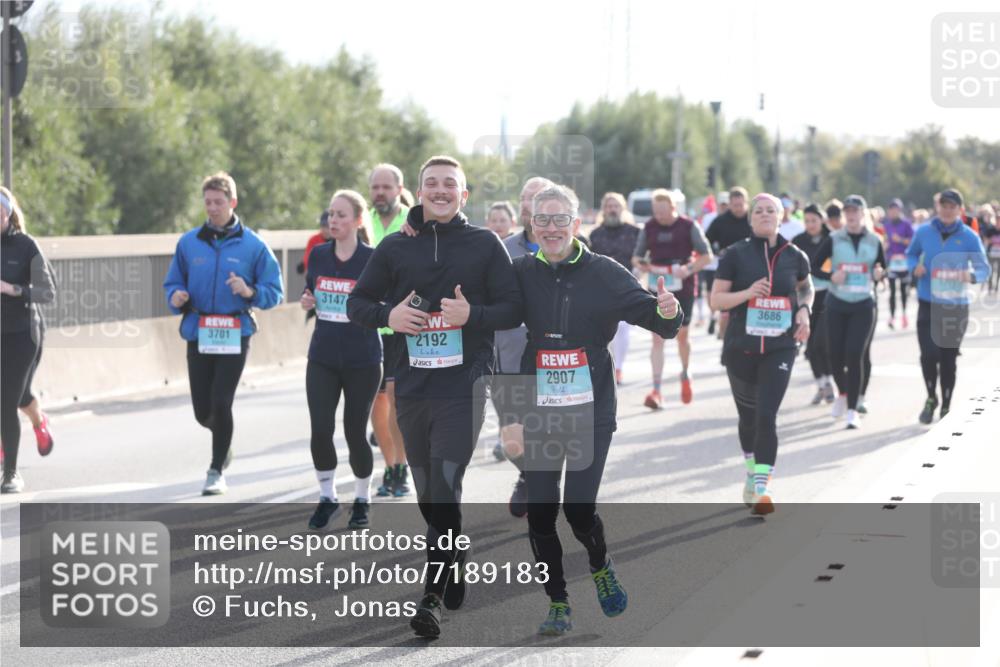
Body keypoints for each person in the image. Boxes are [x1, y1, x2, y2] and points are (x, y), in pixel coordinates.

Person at [347, 155, 522, 638]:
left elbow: (512, 308)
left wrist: (474, 316)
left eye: (450, 184)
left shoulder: (486, 245)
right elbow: (356, 303)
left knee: (445, 483)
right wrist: (390, 316)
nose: (441, 190)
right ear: (418, 193)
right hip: (412, 384)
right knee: (429, 493)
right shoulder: (394, 248)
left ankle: (431, 596)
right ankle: (454, 551)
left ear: (464, 196)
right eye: (432, 184)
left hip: (464, 384)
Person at [515, 184, 681, 635]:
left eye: (559, 219)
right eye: (542, 219)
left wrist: (669, 309)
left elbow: (658, 321)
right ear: (532, 225)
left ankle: (600, 562)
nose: (550, 228)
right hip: (540, 409)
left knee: (579, 509)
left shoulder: (604, 272)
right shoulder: (521, 272)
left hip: (591, 410)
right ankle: (558, 602)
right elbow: (491, 313)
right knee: (543, 510)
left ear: (575, 223)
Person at [163, 172, 284, 495]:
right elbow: (173, 282)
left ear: (232, 203)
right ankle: (223, 442)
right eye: (208, 203)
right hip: (199, 330)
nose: (213, 208)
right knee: (202, 410)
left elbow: (275, 291)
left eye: (219, 202)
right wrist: (176, 296)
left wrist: (249, 291)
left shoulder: (253, 245)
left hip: (235, 330)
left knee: (221, 401)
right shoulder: (189, 243)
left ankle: (216, 470)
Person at [711, 193, 813, 515]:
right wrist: (748, 293)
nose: (765, 215)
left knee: (767, 416)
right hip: (741, 348)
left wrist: (805, 310)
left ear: (781, 216)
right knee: (749, 420)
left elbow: (806, 287)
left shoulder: (795, 254)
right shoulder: (734, 255)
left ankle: (762, 485)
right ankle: (751, 469)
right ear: (751, 218)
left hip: (781, 346)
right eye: (759, 211)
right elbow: (716, 300)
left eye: (771, 210)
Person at [300, 190, 382, 530]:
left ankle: (361, 498)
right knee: (320, 429)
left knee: (354, 432)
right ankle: (327, 497)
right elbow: (311, 291)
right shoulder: (318, 255)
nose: (333, 220)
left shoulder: (372, 259)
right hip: (322, 355)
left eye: (341, 215)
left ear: (358, 221)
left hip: (362, 358)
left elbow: (383, 305)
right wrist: (308, 300)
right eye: (331, 214)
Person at [490, 177, 554, 517]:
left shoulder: (569, 248)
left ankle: (544, 483)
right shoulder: (502, 249)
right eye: (526, 199)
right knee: (513, 441)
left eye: (539, 199)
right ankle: (529, 476)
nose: (532, 205)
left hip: (556, 362)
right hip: (510, 358)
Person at [907, 188, 991, 424]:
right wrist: (916, 267)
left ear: (959, 210)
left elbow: (984, 268)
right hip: (928, 302)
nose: (947, 210)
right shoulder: (924, 231)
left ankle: (946, 405)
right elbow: (911, 254)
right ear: (937, 207)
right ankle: (931, 398)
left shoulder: (969, 237)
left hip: (955, 306)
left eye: (952, 206)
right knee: (928, 355)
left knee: (947, 359)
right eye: (943, 205)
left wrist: (971, 275)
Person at [632, 188, 713, 408]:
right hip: (658, 287)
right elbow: (637, 257)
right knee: (657, 337)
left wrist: (688, 269)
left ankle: (685, 374)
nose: (659, 215)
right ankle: (656, 390)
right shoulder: (648, 227)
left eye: (663, 211)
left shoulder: (688, 226)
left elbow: (706, 256)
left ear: (673, 208)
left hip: (683, 286)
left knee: (682, 336)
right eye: (656, 211)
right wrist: (645, 265)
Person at [1, 187, 57, 494]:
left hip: (23, 334)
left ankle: (10, 474)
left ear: (7, 213)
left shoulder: (25, 245)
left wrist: (14, 290)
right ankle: (38, 422)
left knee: (7, 400)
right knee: (16, 397)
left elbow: (49, 292)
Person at [814, 195, 884, 429]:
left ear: (863, 214)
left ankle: (853, 410)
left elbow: (882, 267)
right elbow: (814, 266)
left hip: (864, 303)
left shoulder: (875, 240)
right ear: (844, 215)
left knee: (854, 355)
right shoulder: (834, 239)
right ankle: (842, 393)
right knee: (835, 354)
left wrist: (879, 273)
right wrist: (830, 275)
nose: (852, 216)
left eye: (856, 212)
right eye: (848, 212)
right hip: (837, 303)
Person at [367, 163, 411, 498]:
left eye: (386, 187)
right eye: (375, 187)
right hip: (369, 323)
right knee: (375, 403)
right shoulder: (360, 219)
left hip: (401, 326)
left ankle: (402, 467)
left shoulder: (414, 220)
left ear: (399, 188)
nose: (379, 193)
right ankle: (389, 465)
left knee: (396, 400)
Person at [588, 192, 641, 385]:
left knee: (623, 330)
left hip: (627, 287)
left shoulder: (635, 232)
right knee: (602, 330)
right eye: (609, 206)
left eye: (616, 206)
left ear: (623, 209)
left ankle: (618, 367)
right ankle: (605, 365)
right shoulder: (595, 234)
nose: (612, 209)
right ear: (603, 209)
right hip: (600, 288)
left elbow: (643, 257)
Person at [792, 204, 835, 404]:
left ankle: (829, 382)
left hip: (829, 295)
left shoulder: (833, 239)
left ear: (822, 220)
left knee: (822, 343)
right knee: (811, 347)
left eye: (814, 221)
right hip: (806, 298)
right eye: (807, 221)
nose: (810, 225)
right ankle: (822, 384)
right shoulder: (798, 241)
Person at [706, 187, 752, 347]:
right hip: (728, 271)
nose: (738, 209)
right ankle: (726, 343)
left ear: (746, 203)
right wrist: (718, 252)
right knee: (725, 312)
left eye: (741, 205)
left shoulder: (753, 219)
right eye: (735, 205)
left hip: (751, 269)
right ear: (729, 204)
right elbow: (706, 242)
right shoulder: (720, 221)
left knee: (747, 310)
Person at [699, 191, 729, 333]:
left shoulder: (732, 219)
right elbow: (705, 239)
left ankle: (723, 316)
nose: (724, 207)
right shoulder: (709, 218)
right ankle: (712, 315)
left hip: (727, 263)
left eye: (726, 205)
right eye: (722, 204)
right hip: (712, 262)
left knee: (725, 291)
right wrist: (714, 250)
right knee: (710, 291)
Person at [883, 198, 914, 329]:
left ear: (899, 210)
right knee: (892, 291)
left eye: (895, 210)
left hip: (904, 261)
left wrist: (900, 240)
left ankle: (904, 315)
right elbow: (885, 241)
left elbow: (913, 242)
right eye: (891, 210)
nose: (893, 212)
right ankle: (891, 317)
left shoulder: (906, 224)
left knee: (903, 290)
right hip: (892, 261)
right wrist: (885, 245)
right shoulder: (887, 225)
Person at [297, 211, 332, 275]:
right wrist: (304, 265)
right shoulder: (314, 240)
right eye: (323, 226)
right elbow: (308, 257)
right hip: (317, 273)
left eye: (328, 226)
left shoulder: (338, 240)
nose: (325, 230)